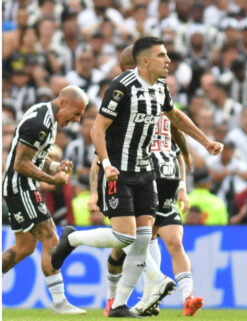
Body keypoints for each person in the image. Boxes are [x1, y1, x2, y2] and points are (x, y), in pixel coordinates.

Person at [51, 37, 223, 317]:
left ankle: (119, 305)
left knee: (142, 241)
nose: (168, 60)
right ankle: (72, 239)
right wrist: (106, 164)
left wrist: (205, 142)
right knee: (125, 238)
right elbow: (97, 130)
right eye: (162, 55)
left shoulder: (160, 87)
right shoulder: (121, 87)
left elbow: (176, 118)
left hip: (146, 173)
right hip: (119, 171)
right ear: (145, 61)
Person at [2, 85, 89, 314]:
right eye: (77, 113)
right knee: (51, 236)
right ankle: (60, 303)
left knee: (24, 248)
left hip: (20, 186)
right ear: (62, 103)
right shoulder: (40, 123)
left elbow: (35, 157)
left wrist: (54, 165)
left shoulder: (46, 118)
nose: (77, 120)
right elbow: (20, 164)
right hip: (20, 186)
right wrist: (52, 178)